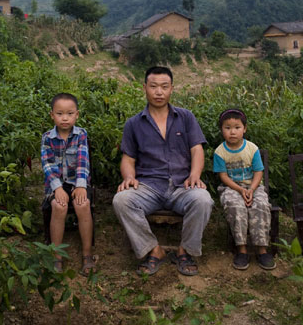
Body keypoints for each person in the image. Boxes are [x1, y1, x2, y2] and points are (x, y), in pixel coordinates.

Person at [112, 66, 213, 276]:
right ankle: (153, 250)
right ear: (145, 88)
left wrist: (195, 175)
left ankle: (185, 251)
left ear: (171, 89)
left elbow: (197, 150)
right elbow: (128, 159)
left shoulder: (185, 117)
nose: (159, 92)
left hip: (182, 185)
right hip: (149, 186)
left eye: (164, 87)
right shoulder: (133, 124)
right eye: (154, 86)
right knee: (121, 200)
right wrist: (129, 177)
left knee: (203, 199)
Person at [213, 108, 276, 271]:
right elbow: (224, 177)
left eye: (237, 127)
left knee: (261, 205)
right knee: (236, 206)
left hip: (253, 186)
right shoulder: (220, 152)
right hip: (231, 187)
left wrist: (251, 189)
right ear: (222, 130)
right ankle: (241, 250)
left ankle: (262, 250)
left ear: (244, 129)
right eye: (227, 128)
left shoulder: (252, 149)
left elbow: (258, 172)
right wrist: (241, 191)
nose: (232, 132)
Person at [41, 92, 96, 276]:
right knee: (59, 206)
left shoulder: (81, 135)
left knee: (83, 205)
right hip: (56, 183)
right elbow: (47, 166)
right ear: (52, 115)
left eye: (70, 113)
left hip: (76, 180)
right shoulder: (47, 138)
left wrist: (81, 186)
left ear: (77, 115)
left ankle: (87, 253)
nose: (65, 118)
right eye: (60, 113)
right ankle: (56, 255)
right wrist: (57, 188)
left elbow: (83, 161)